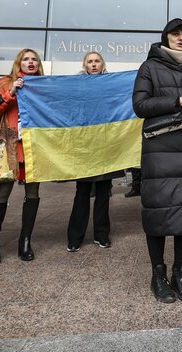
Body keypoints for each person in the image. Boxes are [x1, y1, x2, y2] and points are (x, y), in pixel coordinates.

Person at [132, 18, 182, 304]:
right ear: (165, 37)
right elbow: (140, 105)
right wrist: (178, 101)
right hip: (160, 149)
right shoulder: (149, 67)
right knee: (158, 212)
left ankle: (180, 271)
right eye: (176, 34)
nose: (181, 39)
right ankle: (158, 274)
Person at [0, 48, 44, 264]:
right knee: (3, 191)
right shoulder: (6, 81)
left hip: (34, 146)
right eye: (25, 59)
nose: (30, 62)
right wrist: (12, 90)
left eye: (34, 59)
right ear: (18, 63)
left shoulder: (44, 84)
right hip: (9, 146)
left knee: (33, 192)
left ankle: (25, 241)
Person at [66, 52, 116, 251]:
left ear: (102, 64)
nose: (94, 64)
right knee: (82, 192)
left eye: (97, 61)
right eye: (90, 61)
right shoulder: (78, 86)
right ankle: (75, 237)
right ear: (85, 65)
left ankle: (102, 235)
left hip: (106, 145)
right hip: (85, 146)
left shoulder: (111, 84)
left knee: (104, 192)